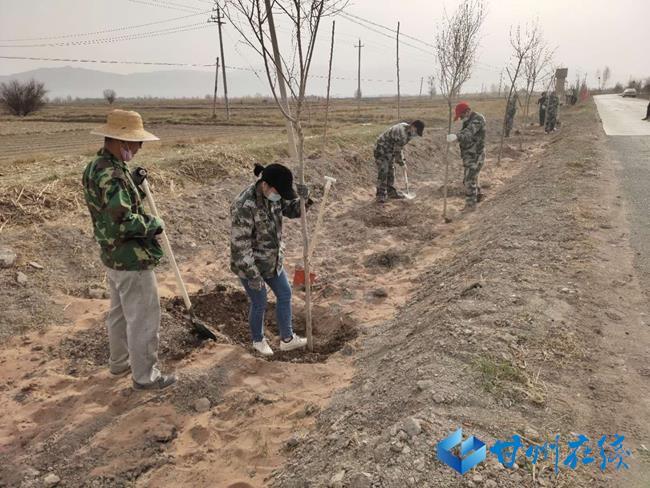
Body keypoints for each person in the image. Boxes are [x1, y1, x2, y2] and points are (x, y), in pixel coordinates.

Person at [82, 109, 176, 390]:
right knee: (144, 318)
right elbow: (123, 221)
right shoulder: (113, 175)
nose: (139, 148)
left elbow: (108, 206)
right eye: (136, 143)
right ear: (121, 141)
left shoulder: (97, 166)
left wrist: (132, 183)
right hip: (131, 257)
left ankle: (120, 363)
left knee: (120, 313)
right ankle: (145, 376)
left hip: (112, 255)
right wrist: (153, 224)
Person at [230, 163, 313, 356]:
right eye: (278, 191)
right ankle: (258, 341)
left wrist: (304, 199)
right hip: (249, 265)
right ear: (265, 185)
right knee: (259, 302)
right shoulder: (244, 205)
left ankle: (287, 339)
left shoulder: (274, 196)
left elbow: (293, 211)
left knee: (284, 294)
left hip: (272, 261)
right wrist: (253, 276)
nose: (279, 196)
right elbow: (240, 247)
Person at [373, 120, 425, 203]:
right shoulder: (401, 132)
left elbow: (399, 148)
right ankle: (380, 195)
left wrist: (402, 161)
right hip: (381, 149)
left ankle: (391, 192)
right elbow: (397, 150)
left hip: (390, 150)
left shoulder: (408, 133)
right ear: (413, 127)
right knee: (384, 170)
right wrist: (402, 163)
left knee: (391, 170)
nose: (415, 135)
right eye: (416, 132)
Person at [447, 102, 486, 211]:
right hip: (470, 155)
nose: (460, 119)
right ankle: (478, 196)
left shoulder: (478, 119)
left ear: (467, 111)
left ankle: (470, 205)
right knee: (470, 178)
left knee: (469, 179)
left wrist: (456, 136)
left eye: (461, 116)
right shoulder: (468, 121)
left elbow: (468, 133)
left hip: (476, 155)